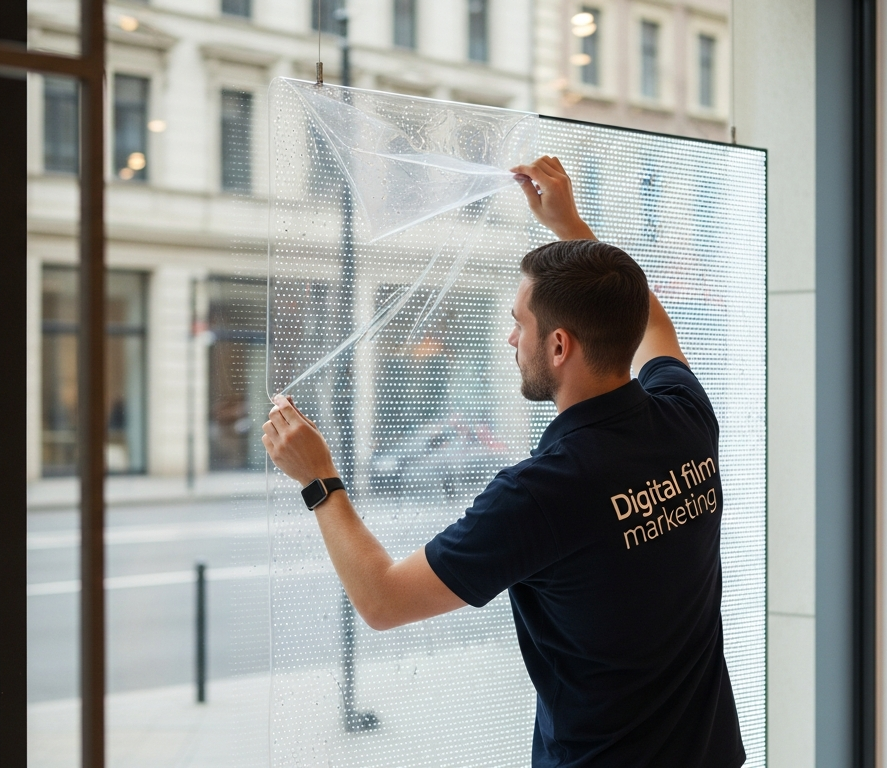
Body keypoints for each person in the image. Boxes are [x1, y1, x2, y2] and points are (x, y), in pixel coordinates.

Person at [261, 156, 745, 767]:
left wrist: (318, 479)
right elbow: (649, 320)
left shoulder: (545, 492)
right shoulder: (686, 416)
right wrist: (572, 227)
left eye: (520, 324)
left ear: (560, 345)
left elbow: (382, 600)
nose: (510, 339)